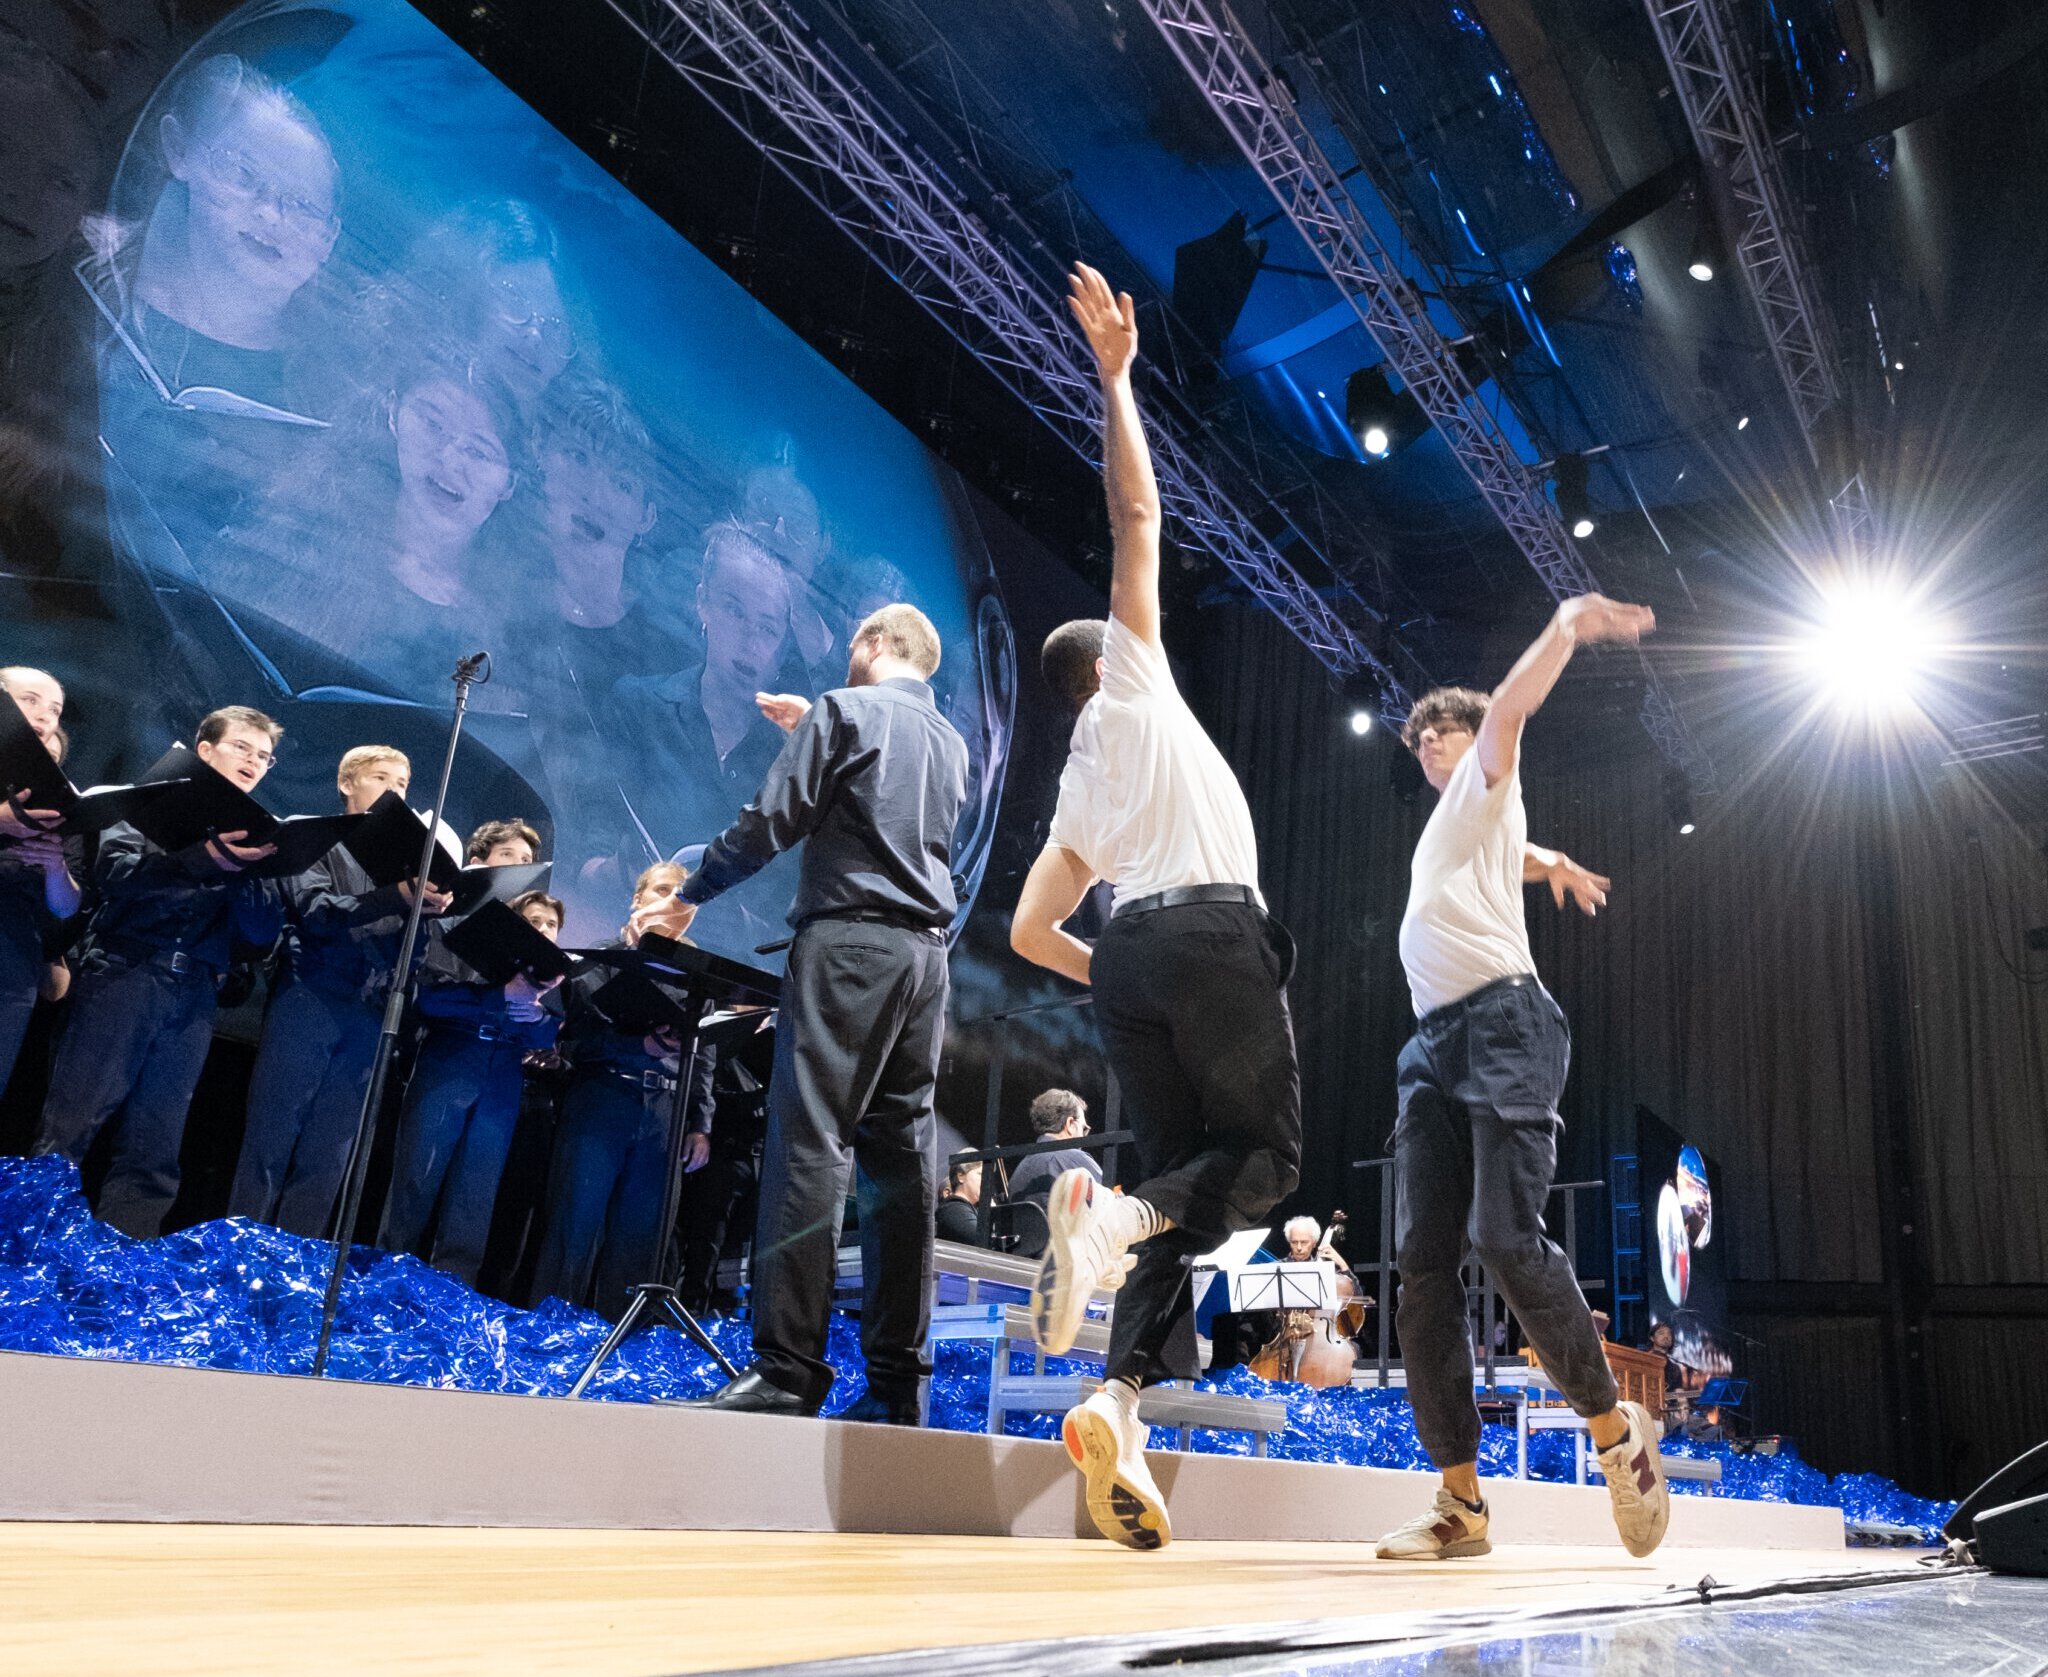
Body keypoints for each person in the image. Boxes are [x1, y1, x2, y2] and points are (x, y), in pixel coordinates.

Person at [1007, 264, 1302, 1550]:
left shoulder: (1075, 786)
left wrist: (1120, 986)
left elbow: (1025, 933)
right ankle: (1112, 1217)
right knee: (1270, 1164)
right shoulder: (1133, 683)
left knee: (1178, 1187)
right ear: (1105, 661)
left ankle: (1115, 1400)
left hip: (1121, 951)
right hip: (1202, 931)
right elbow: (1137, 515)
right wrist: (1116, 378)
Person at [1372, 596, 1671, 1563]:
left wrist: (1567, 626)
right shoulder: (1465, 821)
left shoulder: (1488, 770)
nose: (1430, 748)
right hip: (1431, 1045)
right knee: (1422, 1266)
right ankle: (1460, 1505)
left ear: (1472, 740)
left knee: (1504, 1237)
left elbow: (1507, 713)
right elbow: (1512, 843)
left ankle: (1618, 1439)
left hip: (1505, 1025)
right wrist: (1552, 866)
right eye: (1418, 742)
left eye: (1443, 733)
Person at [664, 602, 967, 1426]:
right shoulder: (951, 741)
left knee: (811, 1145)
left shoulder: (845, 710)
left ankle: (789, 1368)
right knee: (900, 1168)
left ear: (872, 645)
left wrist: (690, 890)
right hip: (925, 961)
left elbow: (771, 822)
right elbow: (886, 801)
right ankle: (898, 1386)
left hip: (851, 948)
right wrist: (817, 733)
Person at [36, 706, 286, 1237]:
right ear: (205, 749)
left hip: (193, 994)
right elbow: (117, 874)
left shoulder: (258, 835)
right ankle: (29, 1249)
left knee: (155, 1146)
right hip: (124, 973)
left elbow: (260, 937)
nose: (253, 761)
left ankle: (120, 1268)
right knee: (72, 1126)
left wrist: (250, 873)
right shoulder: (151, 800)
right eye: (242, 747)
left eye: (264, 756)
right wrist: (203, 860)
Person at [229, 745, 451, 1239]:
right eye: (381, 778)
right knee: (272, 1135)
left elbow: (415, 954)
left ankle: (299, 1265)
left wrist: (428, 911)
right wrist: (393, 897)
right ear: (347, 783)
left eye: (403, 783)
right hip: (311, 997)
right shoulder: (318, 838)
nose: (394, 790)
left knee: (330, 1153)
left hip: (371, 1013)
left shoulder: (410, 860)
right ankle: (239, 1251)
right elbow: (316, 910)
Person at [528, 864, 714, 1317]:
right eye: (662, 891)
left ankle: (623, 1348)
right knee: (575, 1225)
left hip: (664, 1114)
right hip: (601, 1101)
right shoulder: (598, 961)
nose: (672, 901)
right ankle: (552, 1334)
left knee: (641, 1238)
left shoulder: (696, 973)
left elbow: (704, 1055)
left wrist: (699, 1123)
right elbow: (574, 1039)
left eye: (680, 895)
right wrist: (640, 1045)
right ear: (638, 899)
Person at [381, 885, 564, 1286]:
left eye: (552, 924)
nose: (545, 930)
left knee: (476, 1194)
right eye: (536, 921)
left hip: (503, 1078)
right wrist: (498, 995)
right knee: (416, 1177)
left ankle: (454, 1288)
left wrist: (535, 1016)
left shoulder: (550, 975)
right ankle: (389, 1279)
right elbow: (428, 1000)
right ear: (515, 923)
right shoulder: (468, 943)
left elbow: (546, 1038)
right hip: (452, 1062)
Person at [0, 667, 82, 1092]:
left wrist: (54, 866)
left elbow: (66, 909)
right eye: (30, 700)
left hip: (12, 966)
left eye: (55, 710)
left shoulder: (59, 811)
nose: (45, 716)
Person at [1004, 1089, 1101, 1259]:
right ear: (1071, 1124)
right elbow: (1113, 1203)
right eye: (1084, 1129)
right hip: (1068, 1265)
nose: (1084, 1137)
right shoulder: (1074, 1158)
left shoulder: (1020, 1169)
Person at [934, 1159, 984, 1247]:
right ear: (961, 1176)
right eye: (980, 1174)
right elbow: (982, 1240)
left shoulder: (970, 1209)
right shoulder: (952, 1209)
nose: (986, 1180)